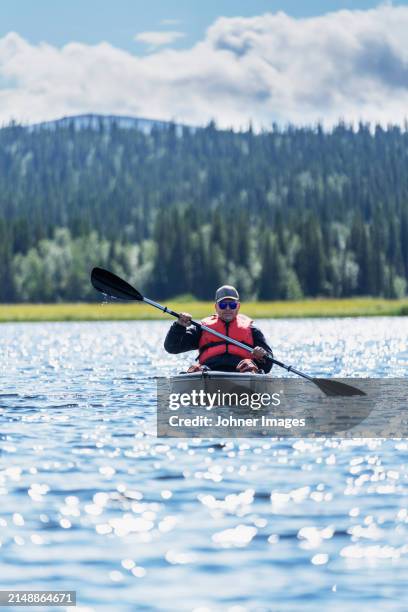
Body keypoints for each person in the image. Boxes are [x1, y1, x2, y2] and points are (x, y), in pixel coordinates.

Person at [164, 285, 273, 373]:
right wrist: (179, 326)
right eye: (223, 305)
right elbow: (172, 347)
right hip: (209, 372)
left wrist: (263, 357)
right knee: (196, 369)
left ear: (238, 306)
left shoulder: (252, 331)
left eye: (232, 305)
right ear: (216, 307)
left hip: (242, 372)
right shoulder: (202, 329)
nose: (228, 309)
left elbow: (267, 367)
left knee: (250, 367)